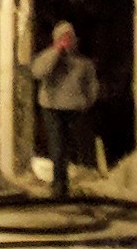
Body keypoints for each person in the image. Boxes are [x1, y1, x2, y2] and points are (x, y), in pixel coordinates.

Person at [27, 18, 102, 197]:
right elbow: (38, 72)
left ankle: (86, 177)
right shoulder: (47, 56)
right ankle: (59, 183)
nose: (66, 40)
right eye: (62, 37)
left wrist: (87, 101)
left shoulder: (83, 63)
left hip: (75, 108)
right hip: (51, 107)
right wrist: (56, 51)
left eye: (69, 37)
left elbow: (92, 85)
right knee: (57, 145)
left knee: (75, 145)